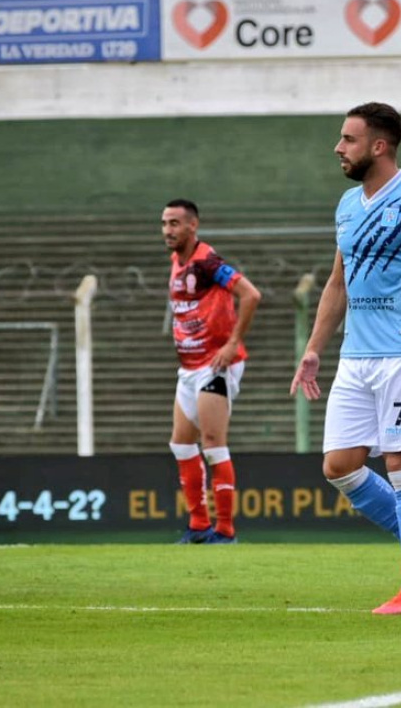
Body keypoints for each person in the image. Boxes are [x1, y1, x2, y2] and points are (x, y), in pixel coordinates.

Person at [290, 102, 401, 615]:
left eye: (348, 139)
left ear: (379, 146)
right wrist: (314, 349)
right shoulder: (347, 205)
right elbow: (337, 283)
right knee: (339, 466)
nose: (338, 148)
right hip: (356, 356)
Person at [162, 198, 261, 545]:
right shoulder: (177, 261)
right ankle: (199, 526)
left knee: (213, 443)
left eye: (175, 223)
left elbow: (250, 295)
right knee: (181, 444)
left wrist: (232, 343)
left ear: (193, 226)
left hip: (215, 365)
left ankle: (225, 531)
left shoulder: (207, 262)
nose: (167, 230)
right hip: (189, 367)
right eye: (164, 223)